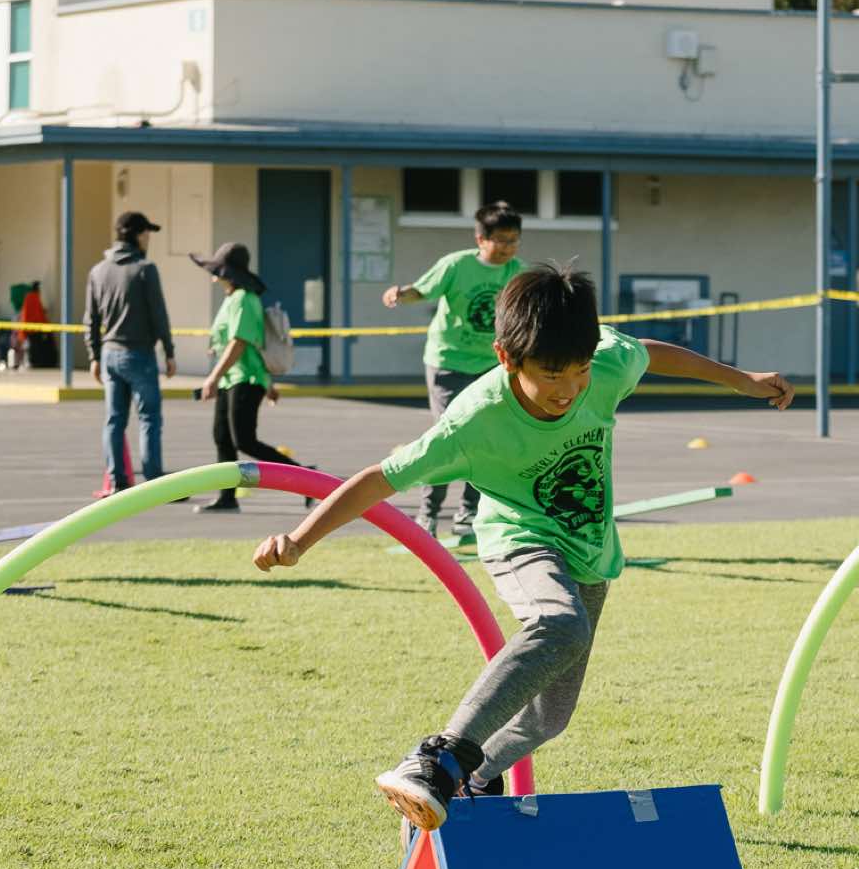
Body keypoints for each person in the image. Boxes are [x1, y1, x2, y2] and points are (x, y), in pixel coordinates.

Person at [254, 262, 793, 832]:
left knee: (548, 717)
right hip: (521, 539)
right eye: (551, 374)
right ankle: (437, 759)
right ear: (507, 357)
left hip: (589, 555)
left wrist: (742, 380)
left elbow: (650, 353)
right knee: (560, 624)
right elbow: (379, 480)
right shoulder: (474, 421)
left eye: (579, 371)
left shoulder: (604, 366)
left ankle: (476, 774)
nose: (569, 389)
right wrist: (299, 540)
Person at [382, 200, 523, 539]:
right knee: (450, 436)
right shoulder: (456, 265)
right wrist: (400, 294)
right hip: (448, 361)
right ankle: (428, 513)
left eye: (514, 240)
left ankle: (468, 512)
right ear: (481, 239)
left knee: (485, 437)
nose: (507, 248)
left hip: (493, 364)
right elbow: (422, 290)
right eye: (501, 240)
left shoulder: (519, 272)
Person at [193, 241, 299, 512]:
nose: (213, 275)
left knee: (244, 440)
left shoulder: (244, 298)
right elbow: (245, 344)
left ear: (227, 272)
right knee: (223, 438)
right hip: (233, 378)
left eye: (217, 270)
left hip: (245, 380)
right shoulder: (232, 298)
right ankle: (227, 497)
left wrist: (212, 378)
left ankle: (305, 477)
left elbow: (240, 342)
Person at [85, 210, 175, 494]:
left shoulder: (98, 271)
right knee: (149, 418)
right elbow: (158, 314)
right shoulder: (145, 269)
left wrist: (94, 356)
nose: (149, 238)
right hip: (139, 354)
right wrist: (169, 351)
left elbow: (91, 319)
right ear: (137, 235)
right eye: (146, 232)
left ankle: (118, 481)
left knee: (114, 420)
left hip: (110, 354)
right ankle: (154, 481)